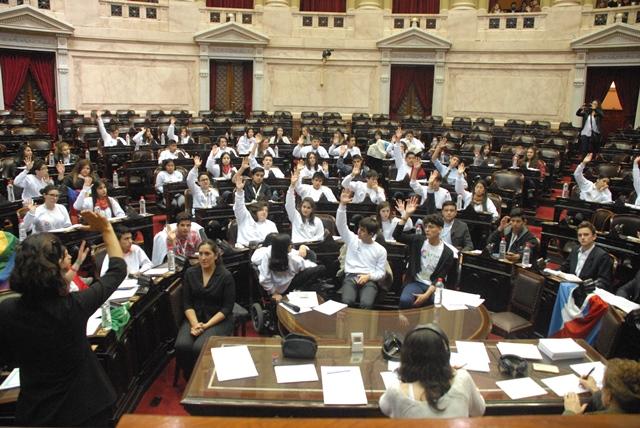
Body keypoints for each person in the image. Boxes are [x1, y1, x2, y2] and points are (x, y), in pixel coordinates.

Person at [0, 210, 126, 427]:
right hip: (86, 407)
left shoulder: (8, 309)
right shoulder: (73, 306)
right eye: (65, 257)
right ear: (56, 268)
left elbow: (8, 357)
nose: (70, 258)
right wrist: (106, 229)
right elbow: (117, 270)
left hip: (37, 411)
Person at [379, 324, 485, 418]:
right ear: (446, 356)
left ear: (405, 357)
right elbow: (479, 411)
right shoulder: (463, 379)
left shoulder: (396, 392)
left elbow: (383, 407)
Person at [175, 240, 235, 380]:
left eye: (207, 254)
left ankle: (205, 378)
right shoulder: (190, 273)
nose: (203, 257)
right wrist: (195, 324)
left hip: (219, 319)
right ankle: (191, 377)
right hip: (195, 318)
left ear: (216, 256)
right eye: (200, 254)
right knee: (182, 346)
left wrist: (206, 326)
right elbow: (187, 303)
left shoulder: (226, 276)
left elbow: (226, 309)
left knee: (199, 347)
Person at [394, 200, 456, 309]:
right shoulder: (418, 240)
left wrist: (426, 295)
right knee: (405, 300)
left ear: (440, 229)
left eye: (431, 227)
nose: (427, 230)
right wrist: (405, 216)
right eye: (426, 227)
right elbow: (397, 236)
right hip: (416, 282)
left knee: (436, 304)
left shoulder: (448, 252)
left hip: (433, 286)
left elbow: (440, 277)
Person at [336, 190, 387, 309]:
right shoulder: (352, 240)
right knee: (347, 301)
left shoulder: (380, 250)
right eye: (359, 228)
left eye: (363, 230)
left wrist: (368, 277)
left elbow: (381, 273)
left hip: (369, 279)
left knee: (366, 304)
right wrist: (342, 205)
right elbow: (341, 225)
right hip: (351, 277)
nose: (359, 231)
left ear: (371, 234)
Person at [251, 233, 326, 302]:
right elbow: (307, 266)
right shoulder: (293, 258)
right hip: (287, 286)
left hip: (275, 288)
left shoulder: (267, 254)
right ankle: (300, 290)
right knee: (320, 268)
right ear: (288, 247)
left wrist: (273, 292)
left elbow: (264, 279)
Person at [563, 358, 640, 415]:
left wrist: (570, 413)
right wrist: (594, 388)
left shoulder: (593, 420)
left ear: (608, 397)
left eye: (603, 386)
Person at [233, 159, 279, 247]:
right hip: (246, 248)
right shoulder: (245, 217)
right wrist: (239, 191)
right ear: (252, 176)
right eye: (257, 175)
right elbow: (239, 205)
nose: (259, 177)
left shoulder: (271, 224)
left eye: (261, 176)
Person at [560, 221, 613, 290]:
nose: (582, 237)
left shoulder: (602, 256)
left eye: (586, 234)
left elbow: (603, 282)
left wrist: (586, 286)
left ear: (594, 237)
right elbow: (565, 267)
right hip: (570, 286)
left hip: (587, 291)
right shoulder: (575, 250)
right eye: (580, 235)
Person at [286, 171, 325, 243]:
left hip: (312, 246)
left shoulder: (317, 221)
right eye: (304, 207)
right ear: (300, 207)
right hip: (297, 247)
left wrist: (307, 242)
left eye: (308, 208)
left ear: (312, 209)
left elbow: (320, 236)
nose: (305, 209)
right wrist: (292, 186)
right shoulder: (295, 216)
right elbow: (289, 203)